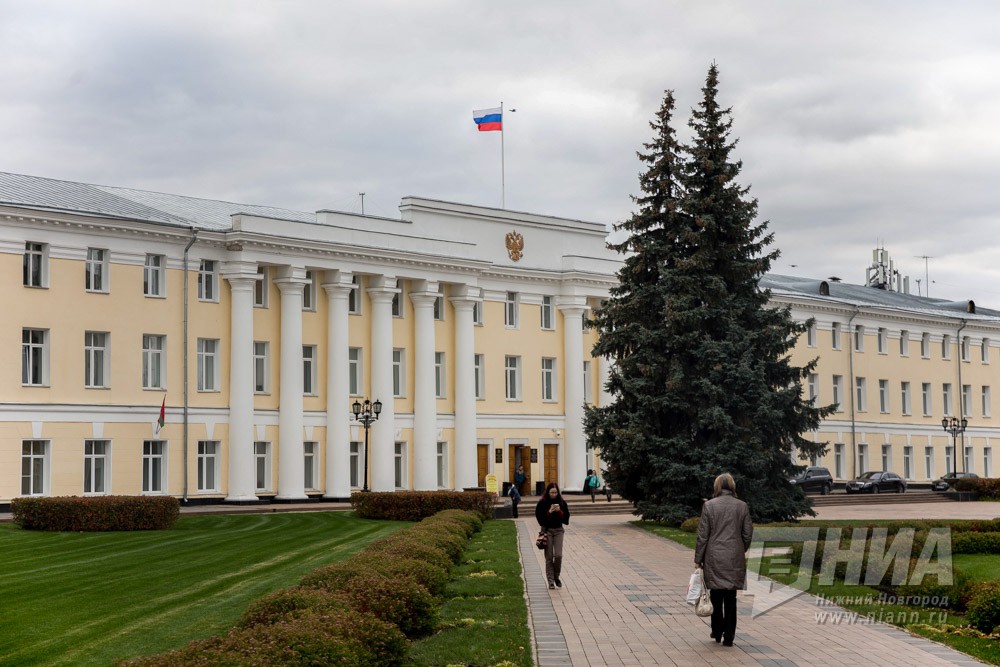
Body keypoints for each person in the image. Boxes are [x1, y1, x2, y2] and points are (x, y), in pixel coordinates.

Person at [694, 472, 753, 647]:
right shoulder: (742, 506)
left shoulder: (709, 506)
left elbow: (702, 535)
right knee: (731, 597)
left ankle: (717, 630)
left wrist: (698, 558)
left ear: (717, 487)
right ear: (732, 486)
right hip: (734, 556)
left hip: (714, 556)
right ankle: (729, 636)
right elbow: (747, 533)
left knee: (716, 595)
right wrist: (740, 548)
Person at [535, 482, 570, 589]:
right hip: (547, 531)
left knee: (558, 555)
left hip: (559, 530)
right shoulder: (542, 503)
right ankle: (550, 581)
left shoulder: (562, 502)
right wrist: (549, 512)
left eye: (555, 492)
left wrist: (559, 511)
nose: (554, 494)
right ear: (548, 492)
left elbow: (566, 519)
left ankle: (556, 577)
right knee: (549, 557)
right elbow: (541, 520)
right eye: (552, 492)